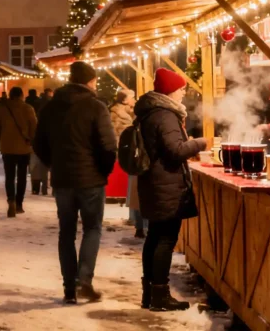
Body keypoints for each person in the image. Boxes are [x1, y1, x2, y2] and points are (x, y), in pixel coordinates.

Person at [34, 61, 117, 305]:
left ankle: (69, 286)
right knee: (92, 228)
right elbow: (108, 146)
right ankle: (84, 280)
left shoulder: (51, 107)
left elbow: (38, 143)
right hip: (90, 179)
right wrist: (103, 170)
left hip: (62, 179)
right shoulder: (96, 107)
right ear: (90, 81)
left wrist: (55, 163)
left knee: (66, 232)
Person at [137, 69, 207, 312]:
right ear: (170, 91)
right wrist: (200, 143)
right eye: (180, 89)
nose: (183, 93)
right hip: (165, 185)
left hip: (155, 184)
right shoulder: (165, 115)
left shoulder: (150, 112)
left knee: (155, 238)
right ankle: (160, 295)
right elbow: (175, 151)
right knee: (165, 240)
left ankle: (150, 293)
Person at [0, 87, 38, 218]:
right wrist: (30, 139)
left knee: (10, 176)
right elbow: (34, 127)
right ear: (22, 95)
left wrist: (1, 138)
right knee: (22, 176)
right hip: (24, 148)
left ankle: (10, 200)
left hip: (7, 147)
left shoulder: (2, 109)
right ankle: (19, 204)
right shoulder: (28, 109)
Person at [111, 89, 144, 238]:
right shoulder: (120, 115)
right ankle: (138, 223)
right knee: (135, 189)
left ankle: (137, 222)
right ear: (124, 100)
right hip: (129, 154)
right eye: (132, 97)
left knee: (134, 189)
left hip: (130, 155)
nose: (134, 99)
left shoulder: (128, 113)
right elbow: (122, 135)